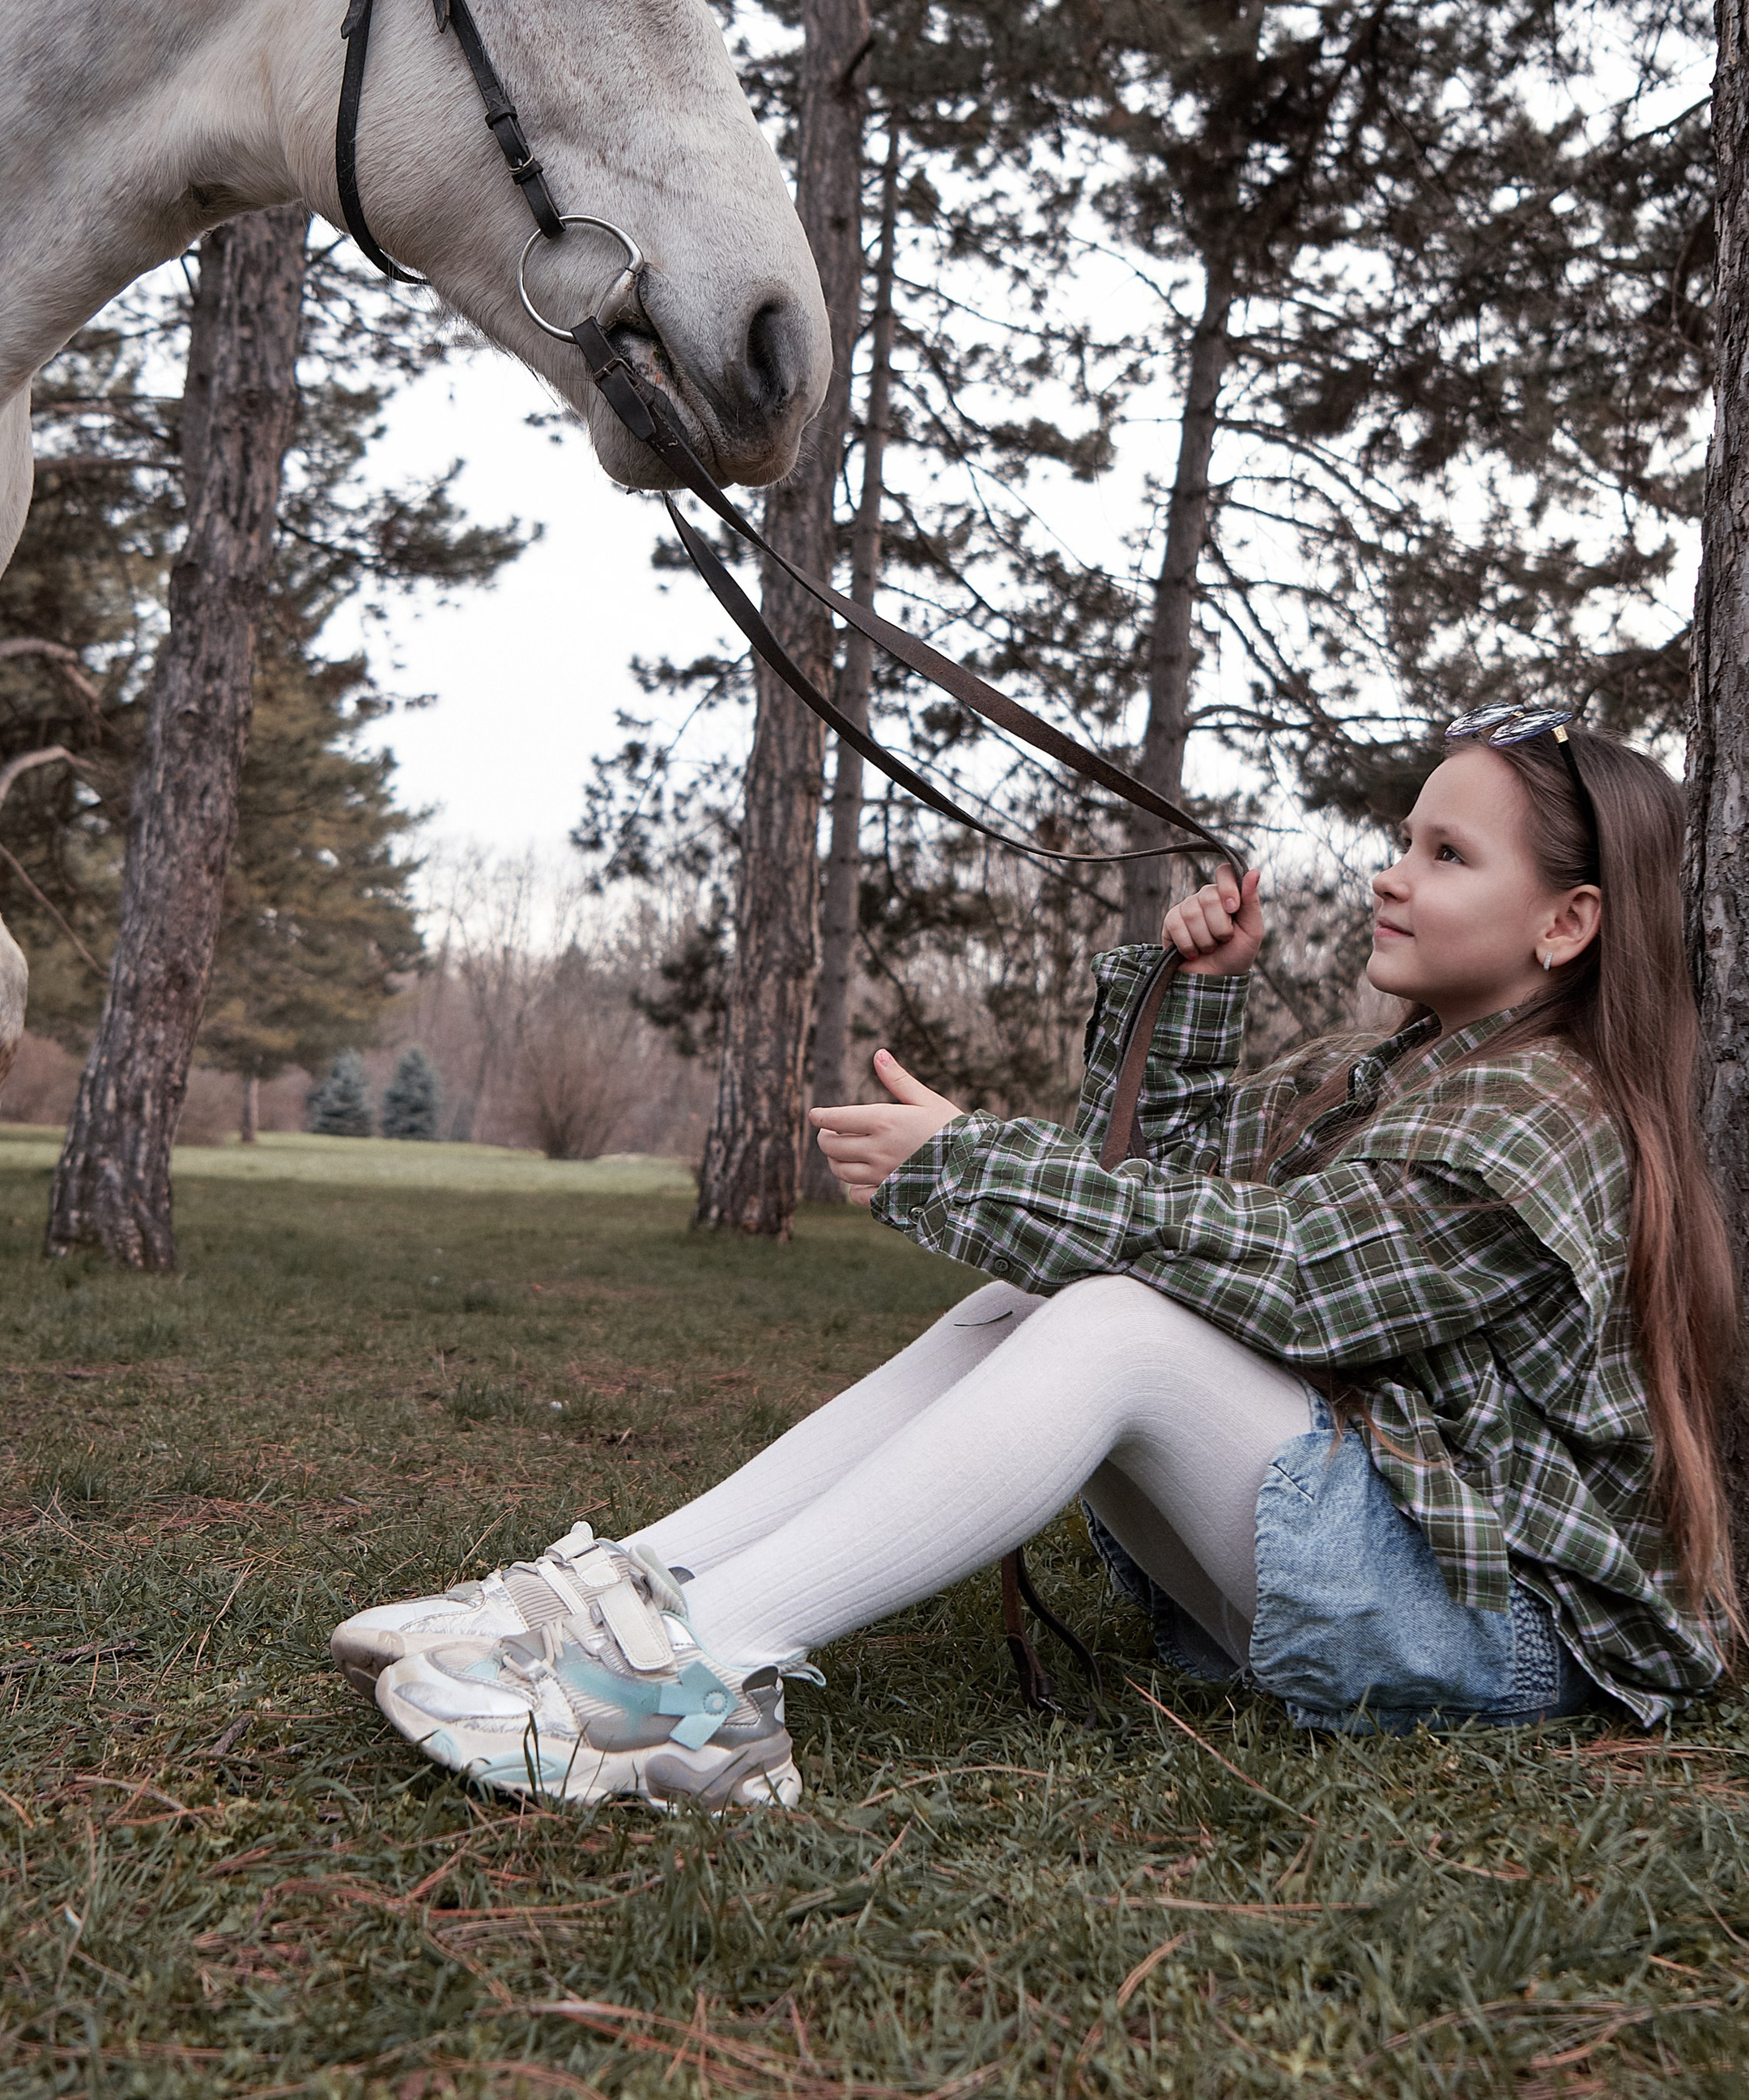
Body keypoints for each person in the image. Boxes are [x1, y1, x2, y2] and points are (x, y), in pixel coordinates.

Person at [341, 709, 1738, 1808]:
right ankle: (622, 1596)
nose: (1389, 870)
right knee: (1054, 1290)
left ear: (1568, 923)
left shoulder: (1551, 1119)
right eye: (1404, 836)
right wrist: (1202, 1000)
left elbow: (1295, 1278)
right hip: (1398, 1574)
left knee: (1118, 1321)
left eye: (1447, 854)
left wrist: (964, 1163)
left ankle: (694, 1696)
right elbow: (1167, 1199)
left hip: (1500, 1634)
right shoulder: (1410, 1072)